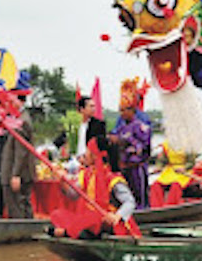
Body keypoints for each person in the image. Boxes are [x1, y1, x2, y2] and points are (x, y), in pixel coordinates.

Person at [49, 145, 139, 238]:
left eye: (87, 151)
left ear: (95, 155)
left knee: (92, 221)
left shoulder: (112, 178)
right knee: (57, 214)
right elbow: (73, 195)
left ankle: (66, 232)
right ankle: (76, 232)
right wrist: (63, 181)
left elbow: (129, 202)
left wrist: (117, 216)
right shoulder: (86, 174)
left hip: (109, 222)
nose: (85, 155)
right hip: (90, 219)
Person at [108, 77, 152, 209]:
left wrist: (125, 142)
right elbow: (115, 136)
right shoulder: (121, 126)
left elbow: (144, 146)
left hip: (137, 166)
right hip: (124, 166)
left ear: (132, 110)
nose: (121, 113)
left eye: (124, 110)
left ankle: (144, 215)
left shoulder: (141, 126)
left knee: (140, 196)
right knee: (128, 196)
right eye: (120, 110)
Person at [0, 94, 36, 219]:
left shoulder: (22, 121)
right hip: (14, 171)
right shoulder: (14, 119)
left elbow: (22, 151)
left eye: (11, 99)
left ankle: (22, 234)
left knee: (18, 207)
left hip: (17, 173)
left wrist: (16, 174)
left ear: (20, 101)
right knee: (20, 205)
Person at [150, 140, 193, 207]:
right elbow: (162, 160)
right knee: (156, 184)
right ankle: (156, 207)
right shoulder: (167, 144)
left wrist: (184, 168)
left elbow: (191, 162)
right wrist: (159, 167)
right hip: (170, 170)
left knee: (176, 185)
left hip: (184, 171)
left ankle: (171, 206)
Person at [75, 93, 107, 160]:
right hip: (76, 159)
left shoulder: (99, 124)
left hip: (90, 161)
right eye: (91, 106)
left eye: (94, 106)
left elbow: (100, 146)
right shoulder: (75, 125)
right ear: (82, 109)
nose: (94, 109)